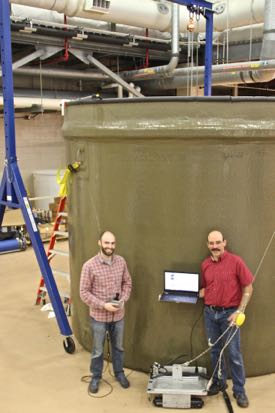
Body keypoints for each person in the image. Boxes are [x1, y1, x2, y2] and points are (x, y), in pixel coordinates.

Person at [200, 230, 253, 408]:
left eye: (218, 242)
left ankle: (239, 391)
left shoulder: (236, 261)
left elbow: (248, 287)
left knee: (234, 354)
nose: (214, 246)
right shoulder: (205, 264)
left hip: (229, 315)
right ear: (208, 245)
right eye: (211, 243)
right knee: (215, 351)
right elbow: (205, 289)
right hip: (210, 314)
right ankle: (219, 382)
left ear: (224, 243)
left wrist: (240, 310)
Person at [80, 230, 132, 394]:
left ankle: (119, 373)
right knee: (97, 350)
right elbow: (84, 293)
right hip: (99, 317)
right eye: (106, 243)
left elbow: (127, 283)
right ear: (100, 243)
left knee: (118, 347)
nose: (110, 246)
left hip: (118, 316)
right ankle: (96, 377)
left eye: (112, 243)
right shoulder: (89, 266)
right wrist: (103, 305)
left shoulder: (121, 262)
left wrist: (123, 299)